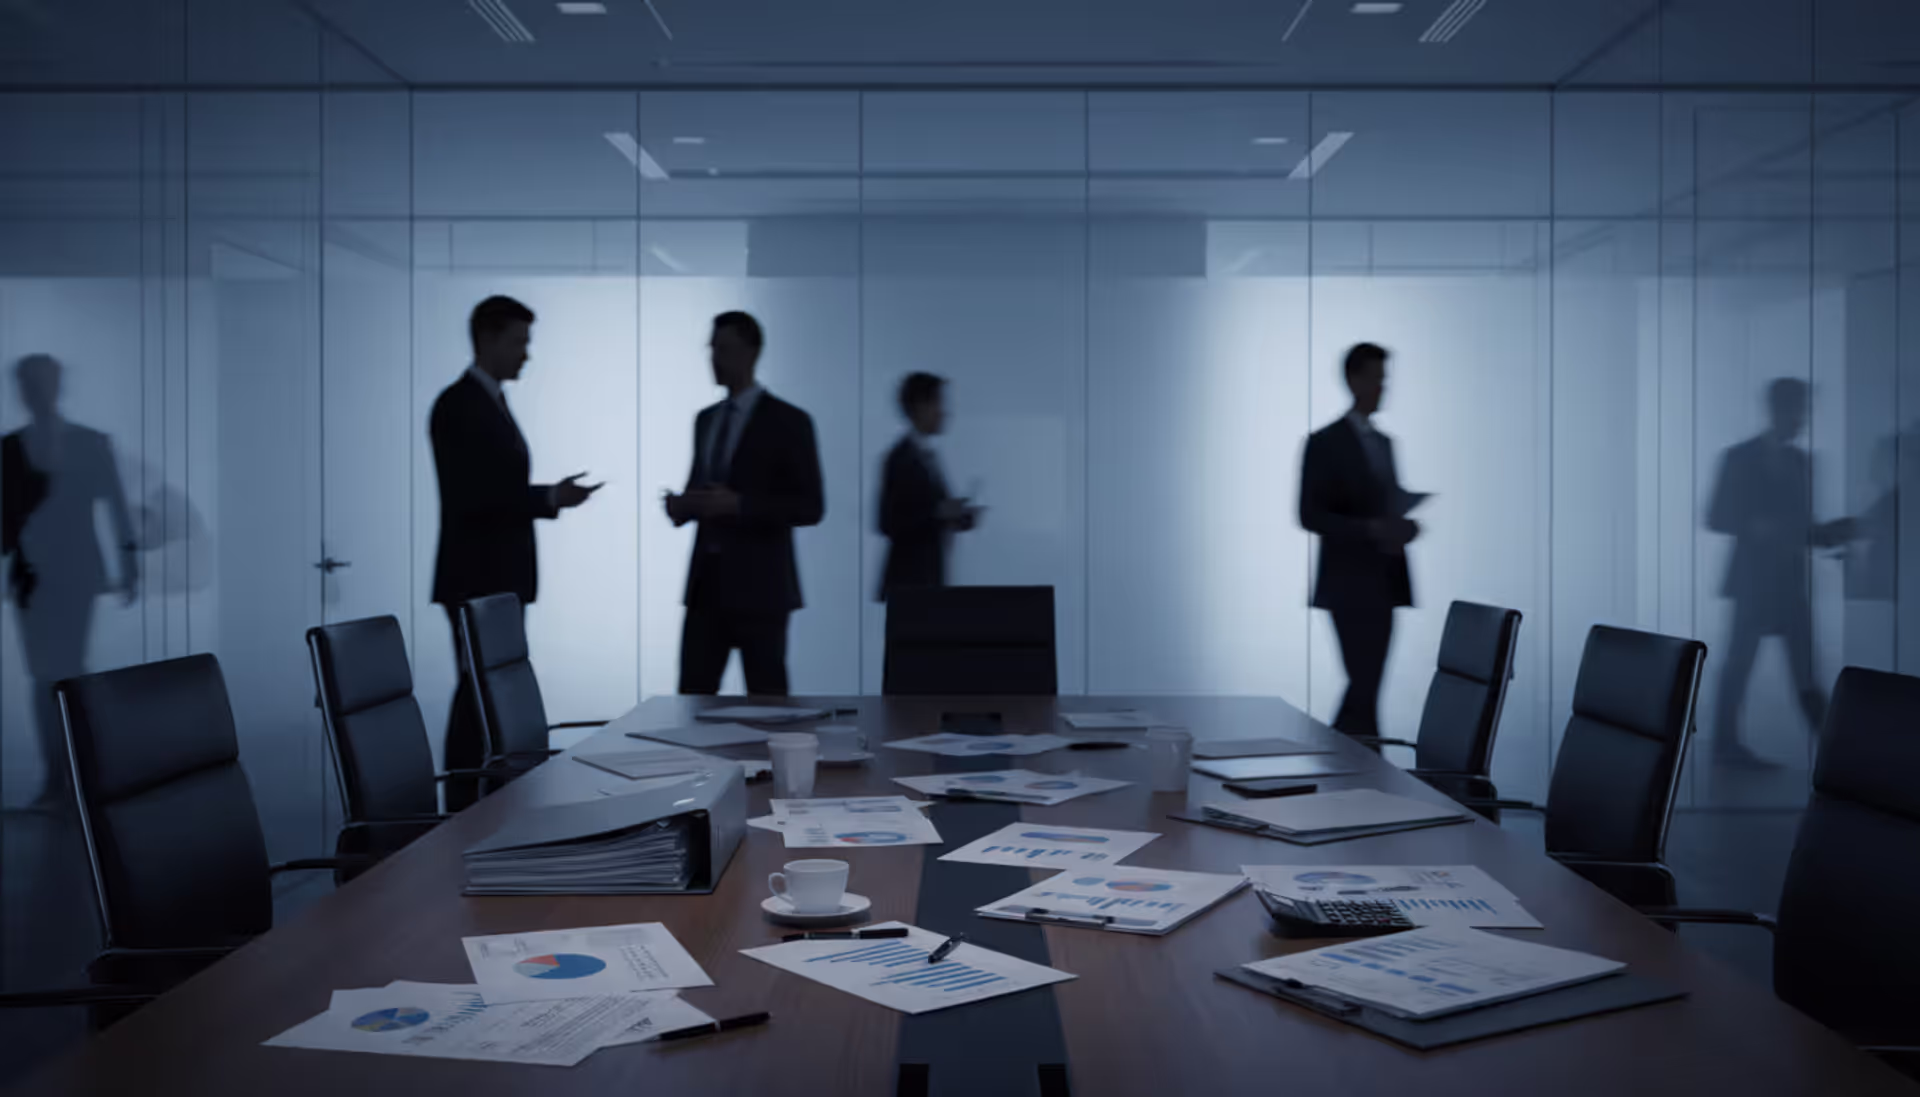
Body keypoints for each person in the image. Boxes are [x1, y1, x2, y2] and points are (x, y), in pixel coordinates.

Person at [429, 296, 600, 809]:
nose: (526, 354)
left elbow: (493, 488)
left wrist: (549, 496)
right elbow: (472, 496)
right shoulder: (458, 405)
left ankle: (482, 805)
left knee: (486, 697)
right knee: (476, 698)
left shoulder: (491, 402)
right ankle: (460, 809)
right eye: (519, 342)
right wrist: (548, 497)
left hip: (497, 578)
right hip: (476, 577)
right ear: (488, 339)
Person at [1, 354, 138, 813]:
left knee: (65, 671)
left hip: (72, 572)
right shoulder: (11, 449)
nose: (36, 392)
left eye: (41, 383)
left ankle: (71, 777)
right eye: (29, 385)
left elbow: (117, 505)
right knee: (45, 674)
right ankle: (56, 779)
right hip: (32, 575)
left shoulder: (89, 443)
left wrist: (129, 562)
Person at [665, 311, 824, 696]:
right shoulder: (705, 420)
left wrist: (739, 505)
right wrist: (682, 506)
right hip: (706, 588)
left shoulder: (789, 421)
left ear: (752, 352)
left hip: (762, 590)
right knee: (692, 703)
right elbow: (700, 487)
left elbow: (810, 506)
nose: (715, 358)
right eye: (712, 349)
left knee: (768, 708)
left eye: (724, 349)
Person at [1705, 378, 1854, 769]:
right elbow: (1715, 516)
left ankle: (1837, 754)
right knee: (1739, 667)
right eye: (1798, 410)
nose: (1803, 419)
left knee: (1805, 671)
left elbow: (1803, 527)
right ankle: (1725, 746)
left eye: (1804, 411)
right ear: (1777, 410)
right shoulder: (1738, 457)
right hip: (1752, 583)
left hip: (1789, 584)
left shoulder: (1800, 463)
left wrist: (1833, 534)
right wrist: (1757, 525)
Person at [1298, 343, 1419, 740]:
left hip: (1386, 579)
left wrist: (1403, 526)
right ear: (1353, 379)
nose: (1383, 386)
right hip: (1348, 582)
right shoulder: (1324, 442)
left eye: (1385, 379)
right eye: (1375, 378)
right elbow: (1310, 515)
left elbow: (1384, 503)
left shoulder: (1385, 444)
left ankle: (1346, 770)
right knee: (1364, 685)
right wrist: (1371, 529)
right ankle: (1345, 766)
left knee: (1368, 688)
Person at [876, 371, 978, 601]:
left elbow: (932, 514)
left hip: (930, 582)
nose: (945, 412)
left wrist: (960, 516)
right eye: (939, 403)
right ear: (921, 407)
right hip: (909, 586)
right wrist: (939, 512)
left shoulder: (927, 457)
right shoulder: (898, 458)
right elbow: (887, 522)